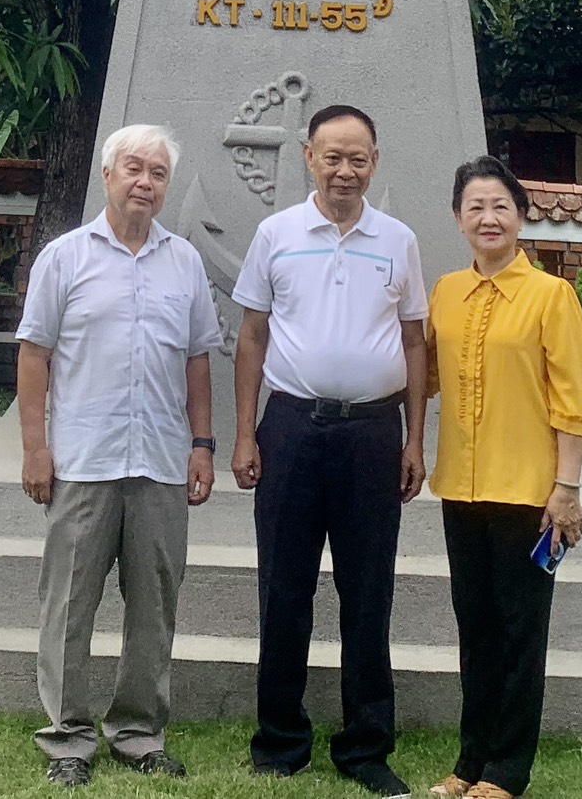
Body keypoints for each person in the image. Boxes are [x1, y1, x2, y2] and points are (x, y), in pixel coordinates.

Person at [231, 102, 429, 794]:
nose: (345, 170)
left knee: (367, 592)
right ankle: (279, 742)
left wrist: (414, 440)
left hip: (374, 435)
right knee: (283, 589)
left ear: (374, 162)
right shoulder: (275, 233)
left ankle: (366, 748)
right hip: (289, 428)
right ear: (309, 156)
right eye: (332, 156)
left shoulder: (398, 240)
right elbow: (251, 335)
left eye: (359, 158)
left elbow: (413, 341)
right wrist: (245, 432)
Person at [16, 124, 221, 787]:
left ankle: (138, 733)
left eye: (157, 173)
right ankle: (67, 741)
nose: (145, 181)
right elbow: (34, 355)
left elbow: (197, 362)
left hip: (162, 464)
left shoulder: (184, 263)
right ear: (107, 175)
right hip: (82, 462)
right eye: (134, 168)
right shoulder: (65, 258)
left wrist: (202, 444)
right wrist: (35, 449)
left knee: (154, 607)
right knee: (69, 605)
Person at [421, 156, 582, 799]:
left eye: (500, 206)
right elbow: (427, 375)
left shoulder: (552, 296)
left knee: (521, 632)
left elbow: (568, 398)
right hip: (460, 489)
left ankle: (507, 771)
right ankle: (469, 764)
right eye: (475, 207)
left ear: (520, 215)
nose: (488, 218)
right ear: (459, 219)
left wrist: (566, 488)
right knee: (476, 627)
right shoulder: (444, 293)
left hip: (529, 495)